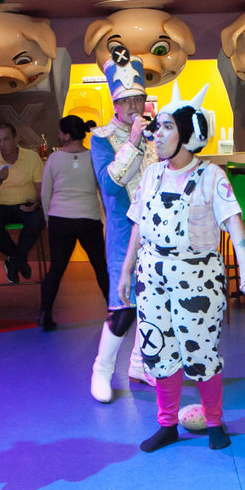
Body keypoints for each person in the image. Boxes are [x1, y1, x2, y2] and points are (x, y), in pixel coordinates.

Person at [118, 83, 245, 452]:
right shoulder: (151, 174)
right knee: (159, 351)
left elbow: (232, 219)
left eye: (166, 126)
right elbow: (138, 222)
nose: (157, 133)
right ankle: (167, 424)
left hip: (198, 279)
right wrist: (125, 270)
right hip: (152, 278)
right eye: (157, 126)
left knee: (201, 351)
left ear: (188, 132)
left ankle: (214, 421)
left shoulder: (212, 176)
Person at [89, 50, 158, 402]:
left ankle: (140, 363)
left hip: (157, 232)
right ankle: (102, 369)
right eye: (127, 100)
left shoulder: (156, 134)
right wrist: (132, 140)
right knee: (124, 307)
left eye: (139, 99)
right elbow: (111, 184)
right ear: (115, 103)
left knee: (154, 302)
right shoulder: (100, 138)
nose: (134, 105)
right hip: (121, 233)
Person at [39, 115, 108, 330]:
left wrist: (49, 218)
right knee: (100, 267)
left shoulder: (54, 159)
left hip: (60, 219)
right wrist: (106, 217)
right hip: (89, 218)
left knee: (56, 270)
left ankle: (45, 315)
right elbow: (102, 190)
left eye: (60, 132)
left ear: (67, 135)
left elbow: (45, 193)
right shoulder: (94, 158)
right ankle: (114, 311)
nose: (58, 135)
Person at [0, 123, 44, 285]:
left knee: (37, 220)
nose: (2, 144)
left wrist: (36, 203)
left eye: (6, 139)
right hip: (1, 206)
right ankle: (18, 260)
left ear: (16, 139)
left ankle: (13, 261)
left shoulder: (31, 157)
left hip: (27, 204)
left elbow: (40, 188)